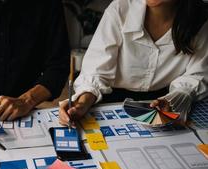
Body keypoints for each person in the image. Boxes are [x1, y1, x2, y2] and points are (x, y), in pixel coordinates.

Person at [59, 0, 208, 127]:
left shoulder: (200, 20)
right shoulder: (120, 9)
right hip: (110, 99)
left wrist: (173, 100)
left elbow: (196, 76)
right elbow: (96, 72)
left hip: (163, 102)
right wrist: (82, 104)